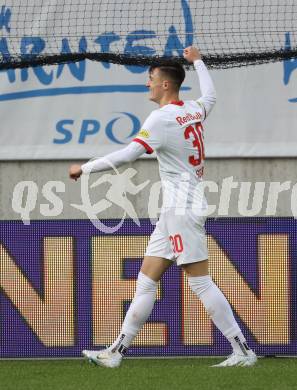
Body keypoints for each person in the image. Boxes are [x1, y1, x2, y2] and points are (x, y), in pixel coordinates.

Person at [69, 46, 257, 368]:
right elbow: (210, 95)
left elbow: (128, 155)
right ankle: (116, 352)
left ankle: (242, 351)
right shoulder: (194, 109)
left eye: (151, 79)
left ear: (166, 84)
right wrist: (198, 61)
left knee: (199, 281)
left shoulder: (161, 118)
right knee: (146, 279)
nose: (148, 85)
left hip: (182, 208)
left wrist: (85, 168)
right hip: (176, 209)